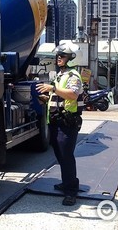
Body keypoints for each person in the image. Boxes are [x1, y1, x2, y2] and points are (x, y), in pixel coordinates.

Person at [36, 43, 84, 206]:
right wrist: (46, 97)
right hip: (56, 121)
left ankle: (71, 192)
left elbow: (73, 94)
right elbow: (58, 97)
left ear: (70, 58)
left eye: (62, 56)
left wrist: (53, 89)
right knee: (60, 156)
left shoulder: (73, 76)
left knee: (66, 156)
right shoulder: (60, 75)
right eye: (58, 56)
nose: (58, 58)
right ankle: (67, 183)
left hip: (67, 122)